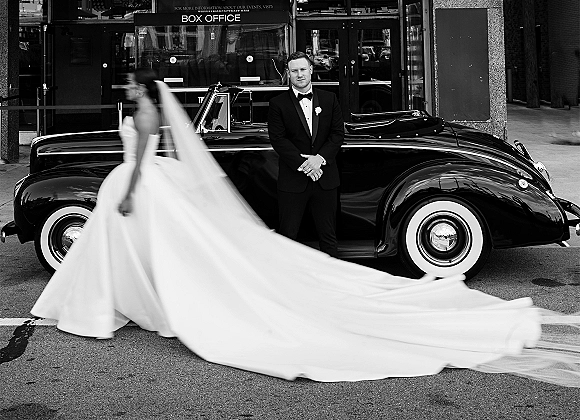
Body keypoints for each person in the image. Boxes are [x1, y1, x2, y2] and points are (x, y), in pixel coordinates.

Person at [31, 72, 580, 386]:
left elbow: (155, 149)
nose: (296, 78)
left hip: (302, 175)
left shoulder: (326, 104)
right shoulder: (269, 109)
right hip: (274, 176)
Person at [267, 52, 344, 256]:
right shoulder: (277, 104)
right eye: (294, 71)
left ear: (311, 70)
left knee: (328, 237)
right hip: (293, 181)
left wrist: (319, 160)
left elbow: (337, 134)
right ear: (288, 74)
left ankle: (331, 281)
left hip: (325, 179)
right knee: (288, 237)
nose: (299, 74)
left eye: (303, 69)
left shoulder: (330, 99)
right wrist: (307, 167)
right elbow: (278, 140)